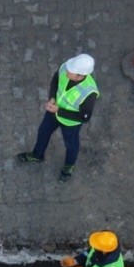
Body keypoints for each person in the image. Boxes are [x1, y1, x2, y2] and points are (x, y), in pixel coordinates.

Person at [17, 53, 100, 182]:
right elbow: (55, 81)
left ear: (80, 76)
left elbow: (84, 117)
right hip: (53, 111)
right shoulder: (65, 67)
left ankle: (68, 168)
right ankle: (37, 155)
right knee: (43, 131)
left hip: (70, 123)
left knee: (71, 145)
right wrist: (52, 98)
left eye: (71, 71)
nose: (67, 70)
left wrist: (58, 110)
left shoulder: (89, 92)